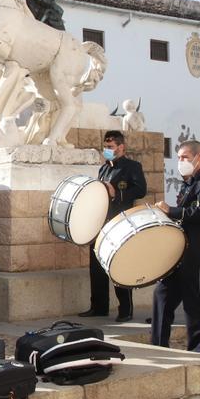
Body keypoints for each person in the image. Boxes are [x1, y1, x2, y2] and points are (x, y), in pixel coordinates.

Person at [152, 140, 200, 354]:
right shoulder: (188, 182)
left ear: (199, 157)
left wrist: (172, 211)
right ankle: (158, 346)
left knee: (194, 302)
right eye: (178, 158)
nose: (180, 162)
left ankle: (197, 350)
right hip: (180, 249)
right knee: (162, 295)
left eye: (184, 157)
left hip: (198, 250)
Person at [80, 130, 147, 322]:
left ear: (121, 147)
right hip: (101, 222)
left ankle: (125, 309)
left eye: (110, 147)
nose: (106, 150)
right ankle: (99, 306)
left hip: (120, 222)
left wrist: (116, 192)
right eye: (105, 147)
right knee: (97, 266)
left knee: (119, 265)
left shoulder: (132, 166)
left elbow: (140, 189)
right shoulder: (103, 169)